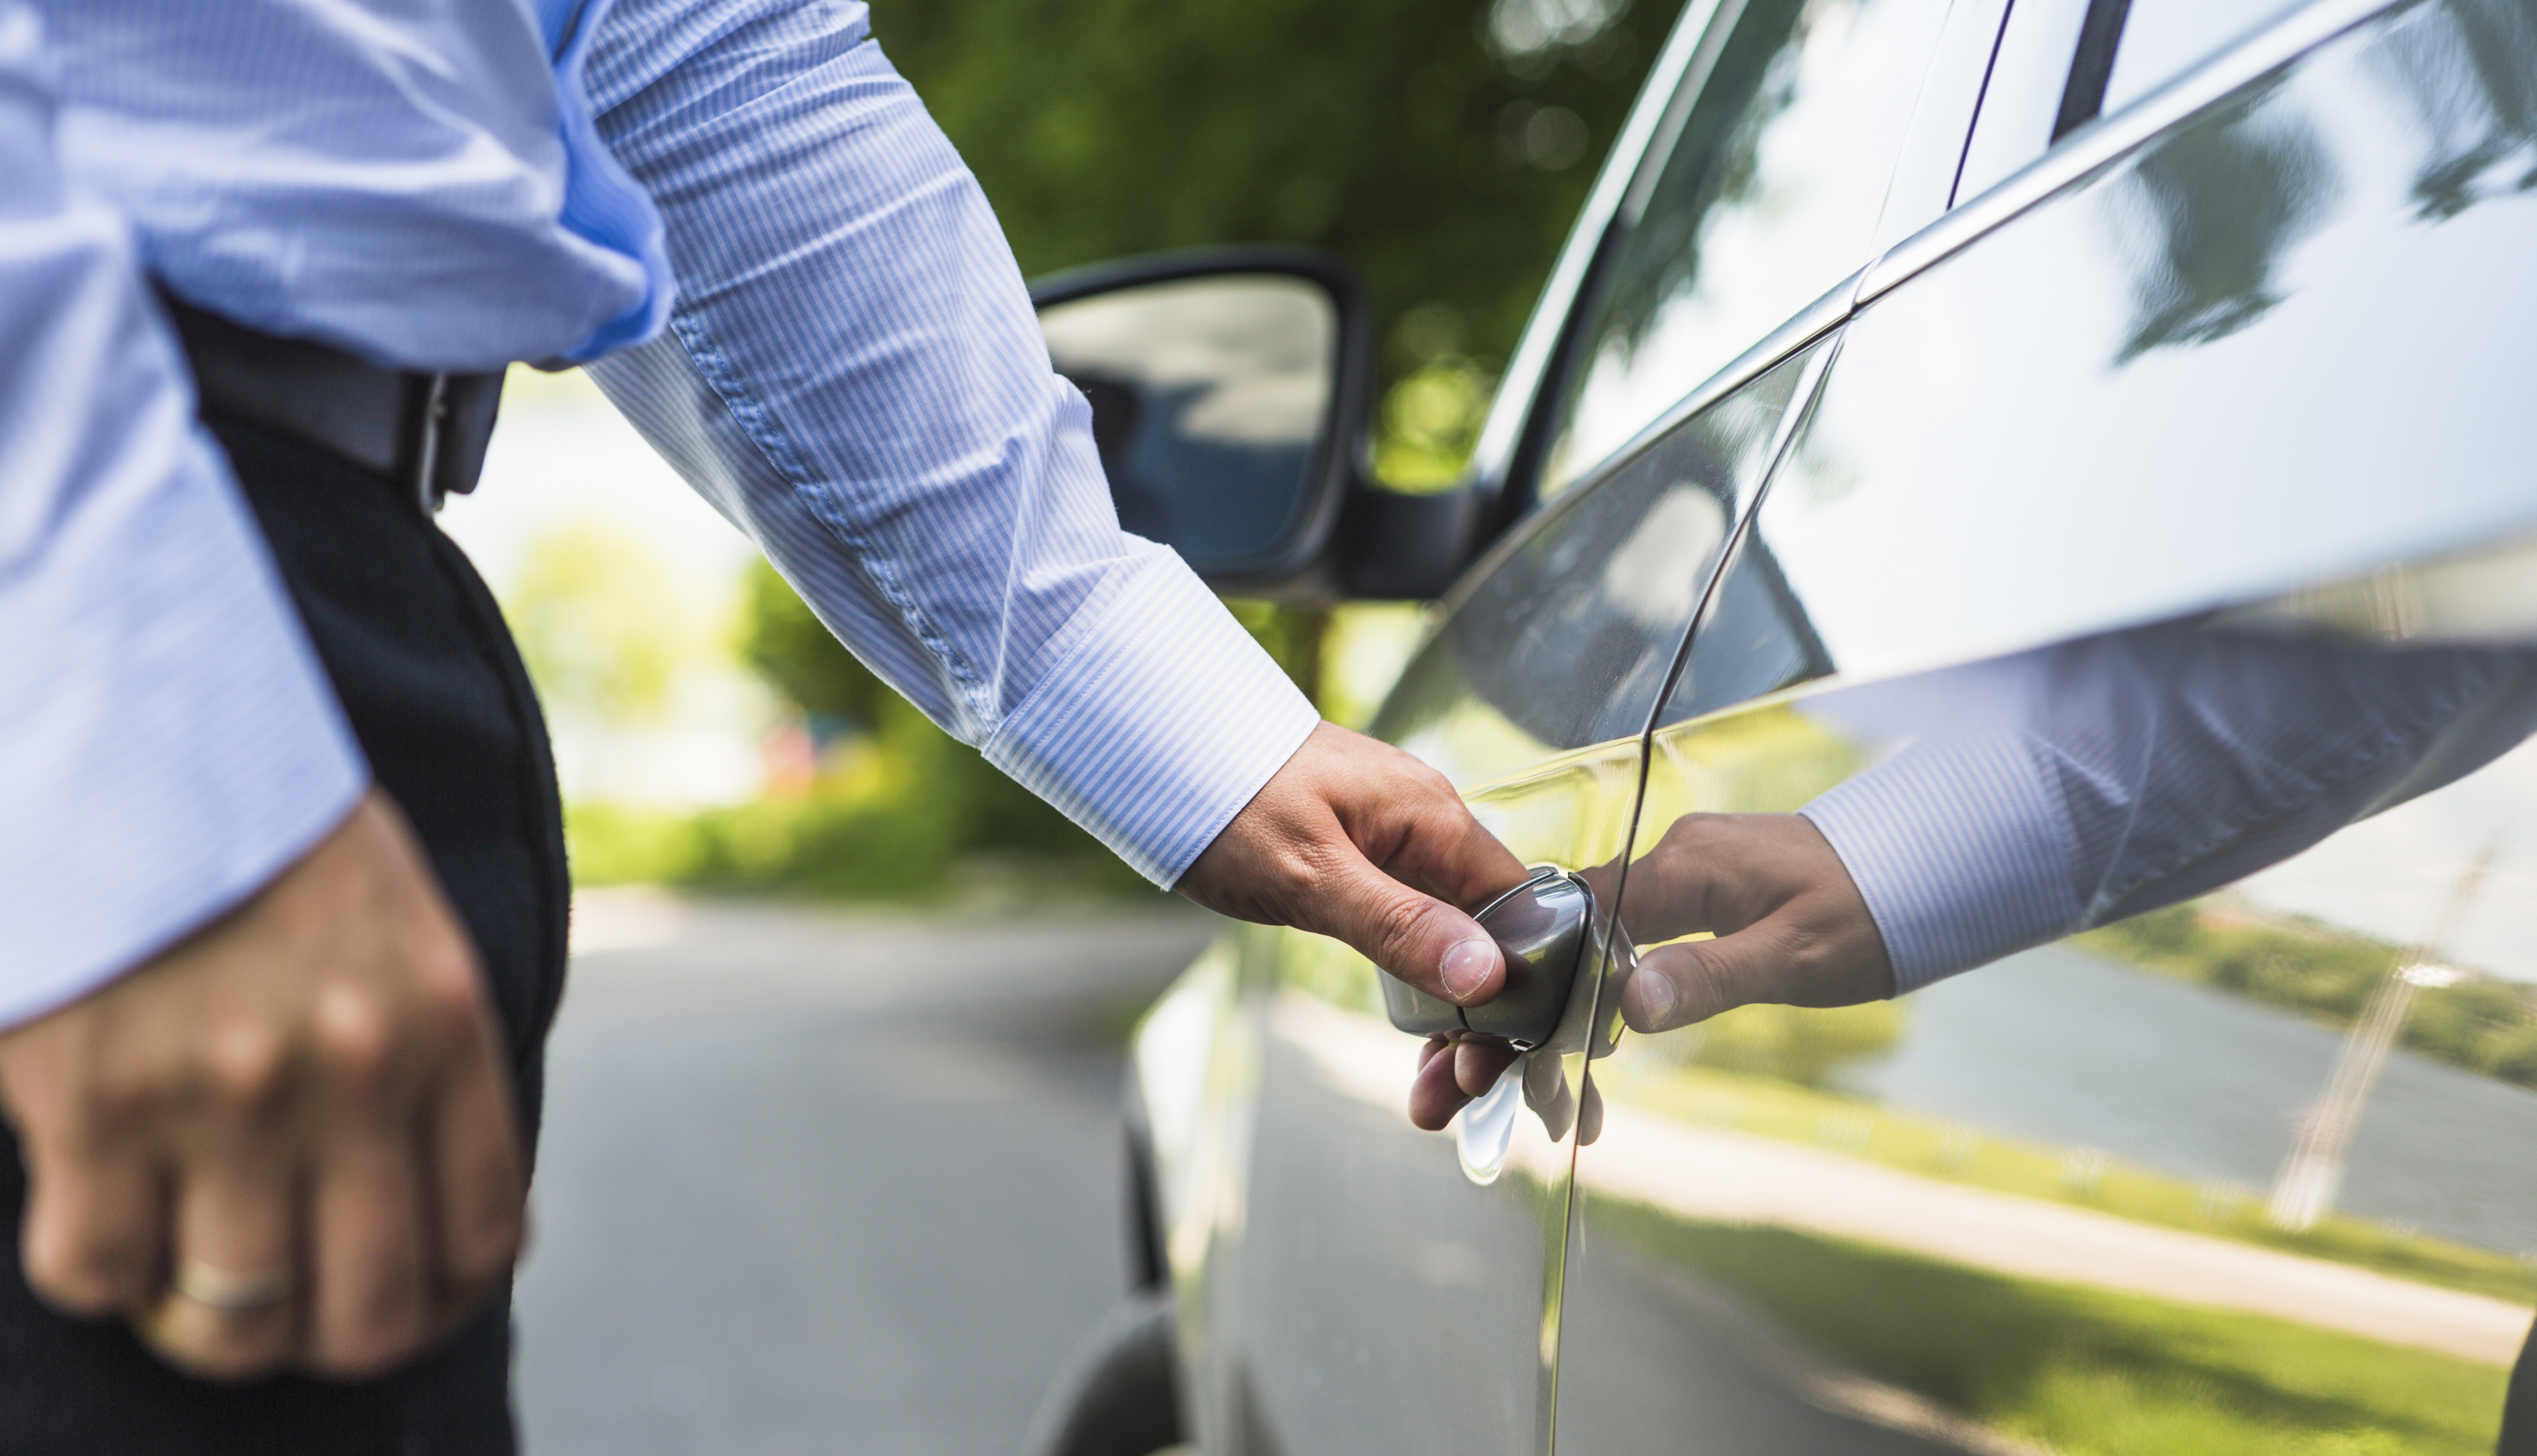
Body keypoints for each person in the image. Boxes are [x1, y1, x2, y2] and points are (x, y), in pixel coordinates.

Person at [0, 0, 1525, 1447]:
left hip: (329, 585)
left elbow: (700, 72)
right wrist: (131, 720)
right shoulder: (133, 686)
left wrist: (1190, 725)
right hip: (136, 564)